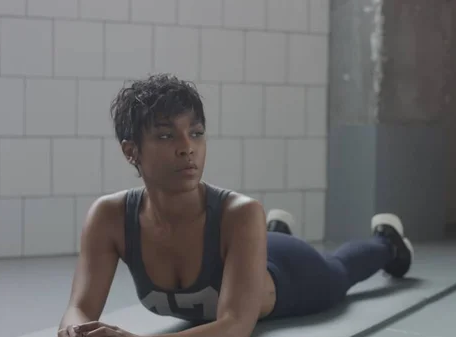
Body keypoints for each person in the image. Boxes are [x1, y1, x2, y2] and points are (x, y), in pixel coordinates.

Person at [57, 74, 414, 337]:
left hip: (291, 272)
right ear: (130, 150)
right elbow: (80, 309)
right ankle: (275, 229)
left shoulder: (239, 212)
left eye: (195, 132)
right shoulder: (110, 217)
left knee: (338, 270)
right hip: (244, 248)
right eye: (166, 135)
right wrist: (76, 333)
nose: (187, 147)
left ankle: (388, 241)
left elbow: (235, 325)